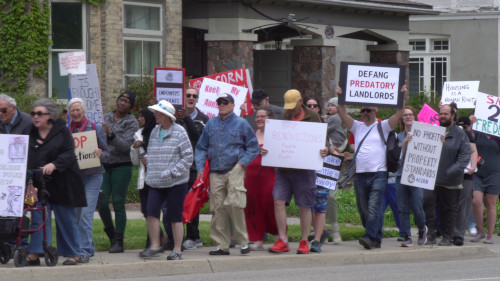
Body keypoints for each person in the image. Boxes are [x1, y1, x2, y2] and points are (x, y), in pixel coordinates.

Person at [336, 85, 406, 249]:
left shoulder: (383, 126)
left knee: (374, 206)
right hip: (360, 175)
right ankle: (376, 238)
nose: (365, 113)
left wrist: (401, 96)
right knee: (364, 210)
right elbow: (343, 113)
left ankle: (369, 236)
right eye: (363, 110)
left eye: (368, 110)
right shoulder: (357, 126)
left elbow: (399, 114)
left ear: (376, 111)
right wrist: (341, 97)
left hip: (378, 174)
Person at [195, 93, 259, 256]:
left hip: (235, 169)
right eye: (219, 102)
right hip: (215, 171)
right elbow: (201, 147)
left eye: (225, 102)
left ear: (232, 105)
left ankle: (243, 241)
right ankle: (222, 245)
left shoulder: (242, 123)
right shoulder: (210, 124)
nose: (221, 105)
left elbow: (253, 147)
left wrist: (241, 164)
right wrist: (200, 167)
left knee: (235, 204)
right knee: (217, 208)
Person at [26, 98, 86, 266]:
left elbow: (69, 153)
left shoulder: (62, 131)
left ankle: (73, 253)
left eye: (40, 114)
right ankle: (36, 252)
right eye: (33, 114)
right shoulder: (31, 132)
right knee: (38, 216)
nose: (35, 117)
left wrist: (54, 164)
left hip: (63, 181)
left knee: (65, 218)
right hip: (39, 181)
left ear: (50, 115)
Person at [269, 89, 329, 255]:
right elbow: (279, 138)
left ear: (301, 101)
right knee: (278, 201)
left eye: (293, 106)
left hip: (305, 170)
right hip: (284, 168)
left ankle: (304, 241)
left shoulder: (313, 116)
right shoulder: (285, 115)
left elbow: (323, 139)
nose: (290, 110)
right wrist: (270, 150)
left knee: (304, 205)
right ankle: (283, 240)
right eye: (287, 106)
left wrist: (325, 149)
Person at [139, 100, 193, 260]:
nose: (154, 115)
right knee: (151, 213)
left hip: (176, 182)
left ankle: (177, 250)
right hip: (155, 181)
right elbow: (154, 153)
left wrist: (172, 172)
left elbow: (188, 157)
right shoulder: (155, 131)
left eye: (158, 113)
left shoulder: (180, 132)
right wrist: (149, 164)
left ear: (167, 116)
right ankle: (155, 246)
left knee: (175, 217)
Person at [67, 98, 110, 263]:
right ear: (69, 113)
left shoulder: (95, 128)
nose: (76, 113)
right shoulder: (66, 131)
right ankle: (89, 246)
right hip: (75, 178)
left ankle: (83, 250)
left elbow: (108, 153)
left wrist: (101, 153)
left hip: (93, 176)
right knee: (77, 216)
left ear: (84, 111)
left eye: (78, 110)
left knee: (85, 214)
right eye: (73, 110)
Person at [424, 103, 470, 246]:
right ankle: (430, 235)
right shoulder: (433, 131)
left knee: (449, 209)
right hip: (432, 178)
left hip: (451, 180)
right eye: (441, 114)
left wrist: (452, 171)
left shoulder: (460, 134)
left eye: (445, 114)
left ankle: (447, 237)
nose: (442, 116)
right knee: (428, 205)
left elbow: (464, 156)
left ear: (452, 116)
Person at [100, 92, 139, 253]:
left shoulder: (132, 122)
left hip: (121, 166)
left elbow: (125, 146)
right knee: (101, 202)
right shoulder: (106, 117)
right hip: (103, 164)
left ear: (131, 107)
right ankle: (111, 234)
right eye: (121, 100)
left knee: (118, 202)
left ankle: (119, 240)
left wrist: (110, 134)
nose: (122, 103)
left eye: (127, 101)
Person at [130, 107, 166, 249]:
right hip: (144, 178)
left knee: (153, 210)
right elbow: (134, 161)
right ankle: (160, 236)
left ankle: (152, 242)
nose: (139, 119)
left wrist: (149, 159)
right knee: (146, 210)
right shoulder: (138, 134)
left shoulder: (159, 132)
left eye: (141, 116)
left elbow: (163, 152)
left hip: (157, 177)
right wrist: (134, 148)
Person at [244, 107, 278, 251]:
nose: (259, 119)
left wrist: (272, 150)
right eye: (257, 116)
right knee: (253, 206)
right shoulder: (251, 135)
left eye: (263, 116)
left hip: (269, 175)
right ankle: (257, 240)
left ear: (270, 118)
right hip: (251, 175)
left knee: (270, 203)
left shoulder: (276, 136)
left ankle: (279, 235)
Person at [179, 87, 209, 250]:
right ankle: (177, 237)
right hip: (178, 167)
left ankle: (193, 237)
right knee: (179, 203)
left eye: (194, 96)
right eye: (188, 95)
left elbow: (198, 137)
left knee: (191, 203)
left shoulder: (204, 119)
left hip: (194, 167)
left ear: (198, 99)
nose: (191, 97)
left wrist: (187, 119)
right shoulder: (176, 118)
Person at [395, 106, 428, 247]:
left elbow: (429, 153)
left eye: (410, 114)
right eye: (405, 115)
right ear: (401, 119)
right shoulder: (398, 136)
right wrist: (404, 144)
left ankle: (422, 229)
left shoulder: (423, 134)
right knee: (402, 208)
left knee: (417, 206)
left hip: (417, 176)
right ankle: (407, 235)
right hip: (401, 175)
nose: (408, 117)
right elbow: (397, 160)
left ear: (415, 117)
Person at [303, 95, 331, 253]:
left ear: (319, 108)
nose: (312, 108)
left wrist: (327, 150)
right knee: (307, 205)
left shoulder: (323, 127)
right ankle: (320, 231)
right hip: (305, 172)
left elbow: (328, 146)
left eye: (314, 106)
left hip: (321, 171)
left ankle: (317, 239)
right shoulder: (299, 125)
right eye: (309, 105)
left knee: (320, 206)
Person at [470, 118, 500, 244]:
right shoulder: (477, 132)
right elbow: (469, 141)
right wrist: (472, 123)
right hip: (478, 172)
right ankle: (480, 231)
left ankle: (490, 235)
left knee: (490, 203)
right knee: (476, 201)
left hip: (494, 172)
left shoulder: (497, 134)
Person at [324, 97, 346, 244]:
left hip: (331, 159)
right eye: (329, 105)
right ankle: (325, 230)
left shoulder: (334, 119)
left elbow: (319, 129)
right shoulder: (342, 119)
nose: (330, 108)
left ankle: (332, 229)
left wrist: (322, 118)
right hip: (333, 157)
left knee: (329, 195)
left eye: (333, 105)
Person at [453, 115, 477, 246]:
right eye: (459, 124)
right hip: (450, 174)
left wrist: (473, 167)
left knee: (463, 206)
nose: (461, 127)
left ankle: (458, 234)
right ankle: (449, 232)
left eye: (464, 125)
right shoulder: (450, 132)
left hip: (466, 174)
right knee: (451, 204)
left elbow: (473, 151)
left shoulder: (467, 134)